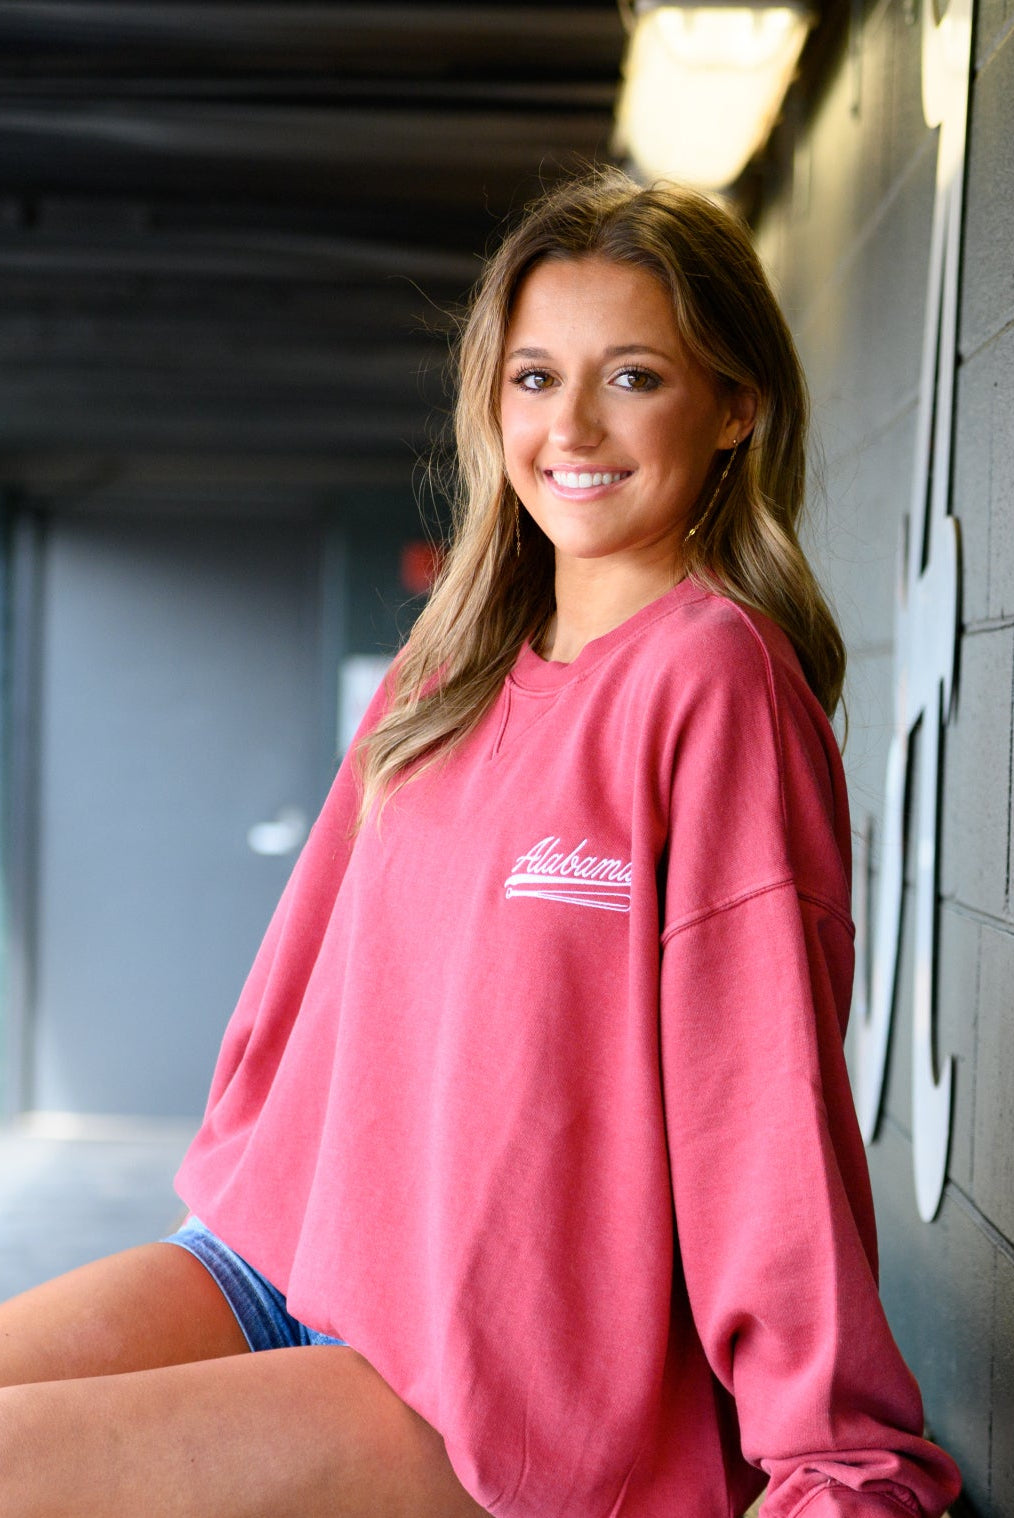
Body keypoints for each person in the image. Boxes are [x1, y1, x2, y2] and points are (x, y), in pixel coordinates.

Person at [0, 169, 961, 1518]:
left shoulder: (711, 679)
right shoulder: (444, 670)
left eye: (633, 377)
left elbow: (760, 1106)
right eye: (534, 378)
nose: (571, 425)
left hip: (487, 1388)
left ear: (734, 406)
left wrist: (825, 1452)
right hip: (282, 1260)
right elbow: (305, 1000)